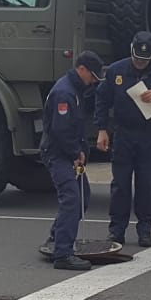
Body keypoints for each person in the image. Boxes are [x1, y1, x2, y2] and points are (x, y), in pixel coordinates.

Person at [94, 31, 151, 247]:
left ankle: (145, 230)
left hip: (150, 135)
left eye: (145, 60)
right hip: (124, 134)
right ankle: (116, 230)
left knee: (145, 185)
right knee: (120, 186)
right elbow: (102, 100)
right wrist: (102, 129)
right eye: (137, 58)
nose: (140, 63)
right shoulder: (117, 70)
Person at [40, 51, 105, 270]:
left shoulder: (74, 90)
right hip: (59, 153)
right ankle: (63, 254)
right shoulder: (65, 94)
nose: (94, 81)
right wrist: (75, 154)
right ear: (82, 69)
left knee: (82, 195)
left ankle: (56, 237)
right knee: (72, 198)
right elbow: (62, 130)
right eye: (92, 76)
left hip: (66, 152)